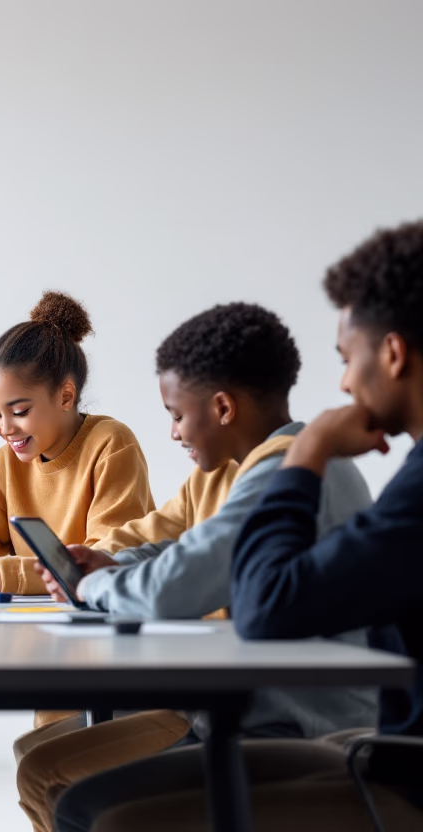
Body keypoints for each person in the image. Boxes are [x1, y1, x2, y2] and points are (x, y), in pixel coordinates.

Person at [54, 230, 423, 831]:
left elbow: (265, 603)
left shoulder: (360, 478)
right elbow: (229, 568)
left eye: (346, 358)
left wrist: (310, 451)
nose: (343, 385)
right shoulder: (406, 481)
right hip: (372, 743)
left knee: (104, 814)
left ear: (393, 354)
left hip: (385, 763)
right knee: (86, 803)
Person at [0, 291, 154, 598]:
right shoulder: (5, 462)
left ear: (65, 396)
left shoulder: (111, 443)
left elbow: (105, 559)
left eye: (20, 412)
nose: (6, 429)